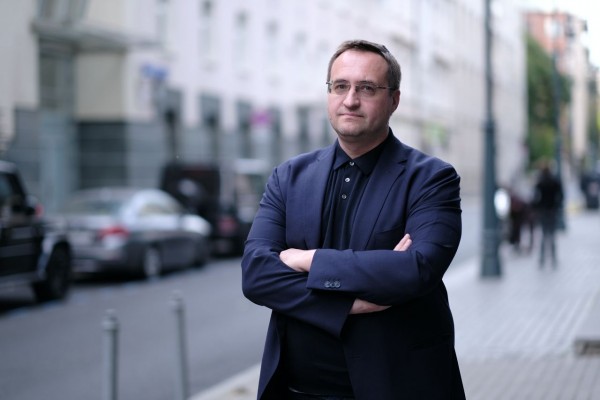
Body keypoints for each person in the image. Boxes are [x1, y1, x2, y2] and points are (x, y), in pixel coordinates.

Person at [241, 39, 465, 400]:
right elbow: (256, 275)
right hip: (297, 391)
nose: (350, 100)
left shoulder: (430, 178)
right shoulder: (289, 177)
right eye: (340, 86)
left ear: (394, 100)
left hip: (399, 387)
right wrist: (349, 303)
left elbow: (417, 269)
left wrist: (307, 259)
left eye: (367, 88)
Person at [532, 162, 564, 268]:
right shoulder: (554, 181)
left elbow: (535, 198)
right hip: (552, 211)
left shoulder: (540, 182)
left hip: (544, 211)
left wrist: (537, 208)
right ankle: (553, 258)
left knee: (544, 235)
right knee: (552, 236)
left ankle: (542, 259)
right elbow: (561, 196)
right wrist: (557, 206)